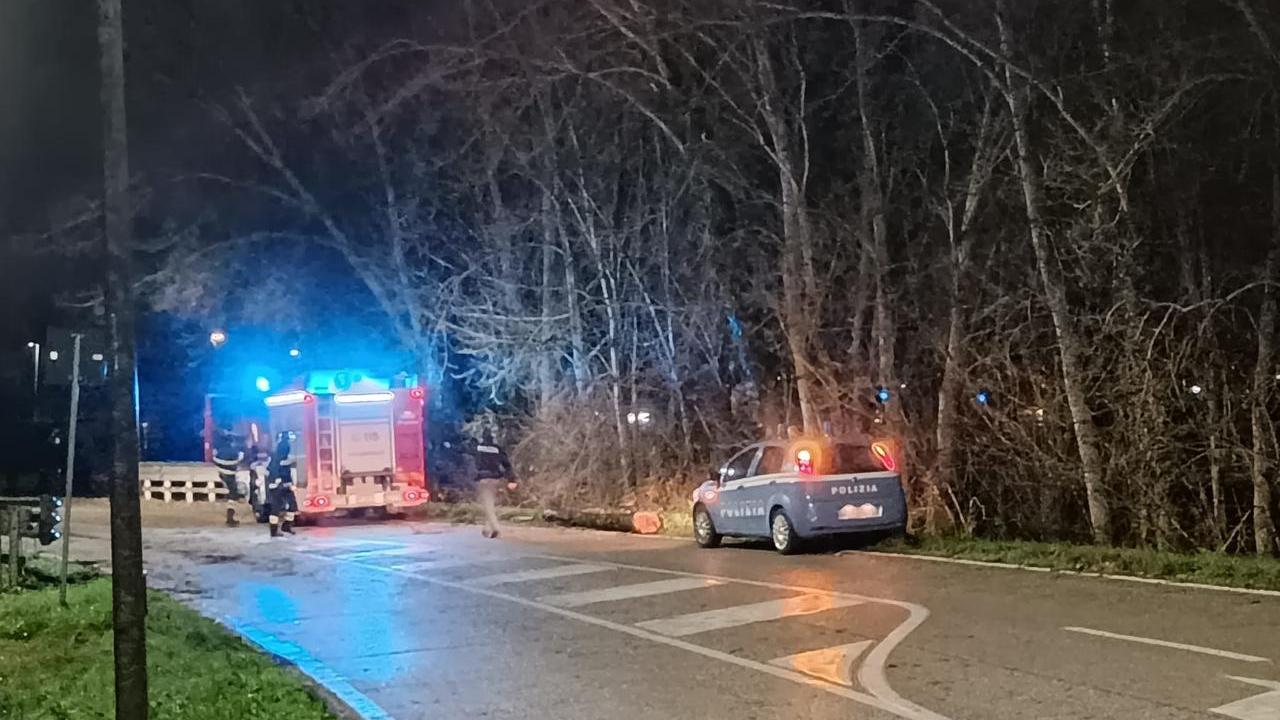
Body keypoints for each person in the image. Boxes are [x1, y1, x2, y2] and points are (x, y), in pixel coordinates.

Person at [475, 430, 517, 539]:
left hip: (483, 479)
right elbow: (507, 465)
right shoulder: (497, 449)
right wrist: (511, 479)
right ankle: (486, 529)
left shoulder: (477, 448)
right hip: (496, 479)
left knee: (488, 505)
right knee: (490, 504)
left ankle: (496, 528)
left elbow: (470, 458)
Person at [266, 431, 298, 537]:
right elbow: (275, 469)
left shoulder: (279, 455)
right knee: (276, 508)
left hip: (284, 483)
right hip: (277, 485)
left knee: (292, 506)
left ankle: (285, 526)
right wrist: (278, 480)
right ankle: (274, 531)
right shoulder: (278, 456)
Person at [212, 427, 244, 527]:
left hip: (222, 474)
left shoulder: (219, 451)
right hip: (230, 474)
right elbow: (239, 459)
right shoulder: (234, 451)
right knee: (233, 494)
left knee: (232, 493)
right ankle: (230, 518)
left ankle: (230, 517)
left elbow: (215, 460)